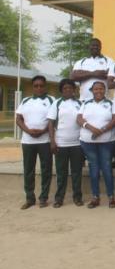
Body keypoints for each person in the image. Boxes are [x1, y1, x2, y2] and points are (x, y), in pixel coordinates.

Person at [77, 81, 115, 209]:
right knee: (93, 170)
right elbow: (79, 119)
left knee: (106, 168)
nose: (98, 91)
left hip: (106, 142)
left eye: (101, 89)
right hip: (88, 142)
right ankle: (95, 197)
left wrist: (102, 130)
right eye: (96, 89)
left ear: (105, 90)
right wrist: (91, 128)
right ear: (92, 90)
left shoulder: (111, 103)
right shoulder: (85, 104)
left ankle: (111, 197)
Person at [16, 75, 54, 209]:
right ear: (33, 87)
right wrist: (28, 131)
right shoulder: (25, 100)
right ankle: (30, 198)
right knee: (28, 170)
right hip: (27, 141)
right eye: (36, 86)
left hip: (45, 141)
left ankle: (43, 198)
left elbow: (52, 120)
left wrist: (43, 131)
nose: (39, 88)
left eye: (41, 85)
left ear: (45, 86)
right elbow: (18, 119)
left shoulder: (51, 100)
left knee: (46, 170)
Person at [47, 78, 83, 208]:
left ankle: (77, 197)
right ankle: (59, 198)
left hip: (77, 144)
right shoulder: (56, 103)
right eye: (65, 88)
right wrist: (52, 141)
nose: (68, 90)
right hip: (61, 143)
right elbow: (50, 123)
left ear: (74, 90)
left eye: (70, 88)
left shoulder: (80, 103)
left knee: (76, 172)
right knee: (61, 173)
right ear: (61, 90)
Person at [71, 38, 114, 102]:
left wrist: (83, 73)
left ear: (100, 47)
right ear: (89, 47)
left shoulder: (109, 61)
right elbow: (73, 76)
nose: (95, 47)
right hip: (84, 100)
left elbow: (109, 76)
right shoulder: (81, 62)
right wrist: (94, 73)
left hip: (104, 101)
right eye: (93, 45)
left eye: (97, 45)